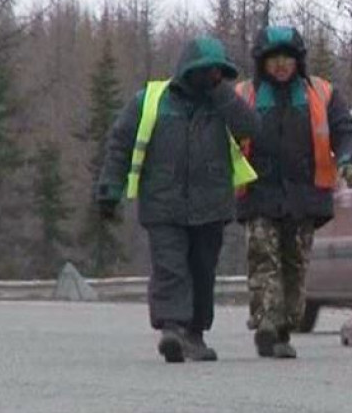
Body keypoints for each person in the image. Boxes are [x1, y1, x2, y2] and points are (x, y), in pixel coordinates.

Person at [95, 37, 260, 363]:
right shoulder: (151, 100)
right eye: (207, 71)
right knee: (170, 267)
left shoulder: (223, 102)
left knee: (202, 271)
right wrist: (109, 189)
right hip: (163, 204)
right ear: (188, 69)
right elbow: (120, 143)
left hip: (211, 205)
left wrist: (221, 92)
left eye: (218, 72)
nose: (212, 77)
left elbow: (252, 127)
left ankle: (195, 334)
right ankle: (171, 329)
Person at [235, 25, 352, 359]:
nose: (280, 64)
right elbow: (223, 137)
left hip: (305, 196)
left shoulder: (321, 94)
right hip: (259, 193)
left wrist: (350, 161)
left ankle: (283, 327)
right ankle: (266, 321)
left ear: (298, 61)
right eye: (273, 58)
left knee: (295, 264)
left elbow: (345, 132)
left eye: (287, 58)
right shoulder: (244, 95)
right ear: (261, 62)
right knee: (264, 258)